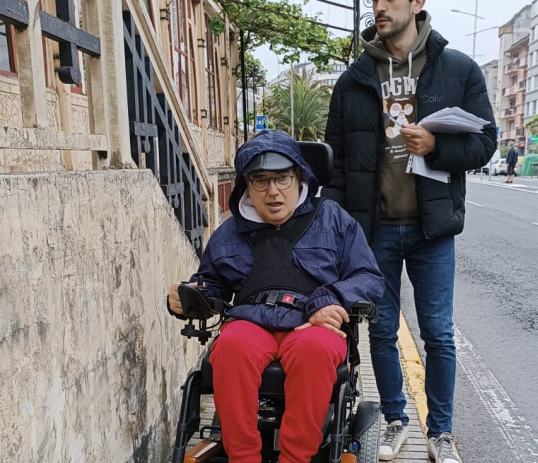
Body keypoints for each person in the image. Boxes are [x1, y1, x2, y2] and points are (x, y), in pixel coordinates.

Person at [323, 0, 496, 461]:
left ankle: (441, 431)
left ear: (418, 3)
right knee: (379, 331)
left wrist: (438, 145)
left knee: (438, 332)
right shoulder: (354, 78)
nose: (379, 7)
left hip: (431, 229)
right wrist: (337, 229)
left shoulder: (456, 68)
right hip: (374, 231)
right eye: (374, 0)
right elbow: (336, 164)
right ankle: (396, 420)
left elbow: (486, 143)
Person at [167, 129, 384, 463]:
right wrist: (188, 297)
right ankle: (243, 458)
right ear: (246, 187)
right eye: (260, 181)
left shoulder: (332, 219)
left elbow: (368, 277)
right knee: (231, 347)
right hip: (252, 320)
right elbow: (211, 285)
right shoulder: (230, 232)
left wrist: (334, 298)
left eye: (282, 178)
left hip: (312, 324)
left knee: (315, 349)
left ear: (299, 176)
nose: (273, 192)